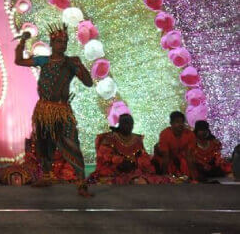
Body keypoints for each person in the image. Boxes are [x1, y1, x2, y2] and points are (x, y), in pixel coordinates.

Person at [14, 24, 94, 197]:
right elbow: (19, 61)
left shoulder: (71, 62)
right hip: (44, 109)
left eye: (65, 41)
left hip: (62, 110)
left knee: (72, 144)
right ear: (52, 43)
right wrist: (22, 42)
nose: (62, 44)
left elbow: (88, 83)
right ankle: (47, 176)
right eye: (59, 41)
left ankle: (81, 183)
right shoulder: (44, 61)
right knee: (44, 144)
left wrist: (80, 66)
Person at [88, 114, 168, 185]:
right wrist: (121, 162)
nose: (128, 126)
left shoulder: (137, 139)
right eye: (125, 123)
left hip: (134, 169)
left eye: (130, 123)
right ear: (119, 124)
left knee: (144, 180)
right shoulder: (110, 138)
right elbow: (104, 155)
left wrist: (136, 163)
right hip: (114, 169)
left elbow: (142, 155)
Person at [153, 111, 195, 178]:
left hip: (181, 160)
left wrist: (193, 177)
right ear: (171, 123)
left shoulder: (189, 134)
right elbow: (165, 156)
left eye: (182, 122)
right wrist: (165, 176)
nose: (180, 124)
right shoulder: (165, 134)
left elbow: (189, 156)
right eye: (177, 122)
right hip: (166, 159)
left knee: (184, 162)